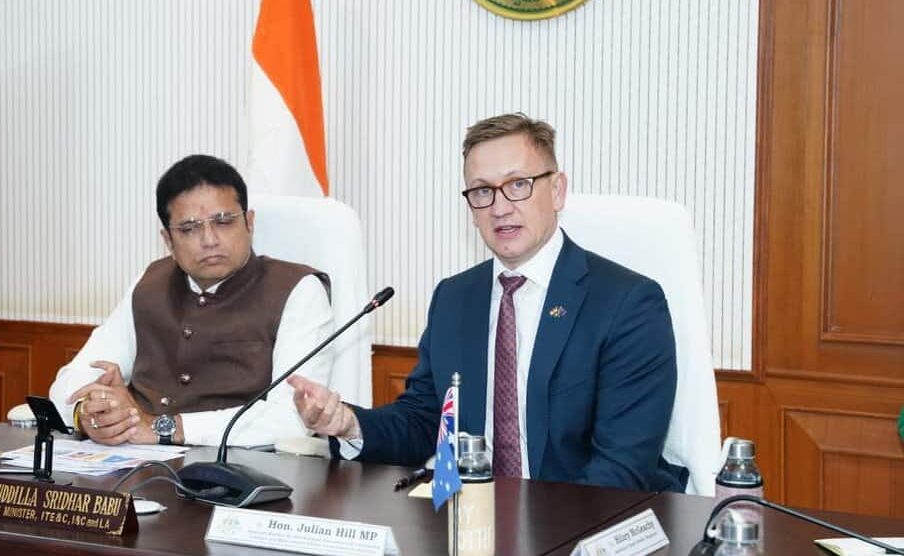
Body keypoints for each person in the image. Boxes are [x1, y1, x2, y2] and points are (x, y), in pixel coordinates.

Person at [289, 113, 686, 491]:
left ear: (558, 190)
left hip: (583, 522)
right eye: (482, 191)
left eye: (518, 185)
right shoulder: (454, 298)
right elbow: (424, 421)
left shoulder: (628, 304)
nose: (499, 207)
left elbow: (622, 468)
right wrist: (347, 424)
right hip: (477, 518)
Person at [50, 154, 335, 447]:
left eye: (223, 222)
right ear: (168, 240)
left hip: (241, 473)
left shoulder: (298, 291)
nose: (209, 239)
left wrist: (166, 428)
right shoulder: (150, 283)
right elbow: (73, 377)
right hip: (138, 467)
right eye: (189, 228)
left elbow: (291, 419)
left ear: (249, 223)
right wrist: (90, 412)